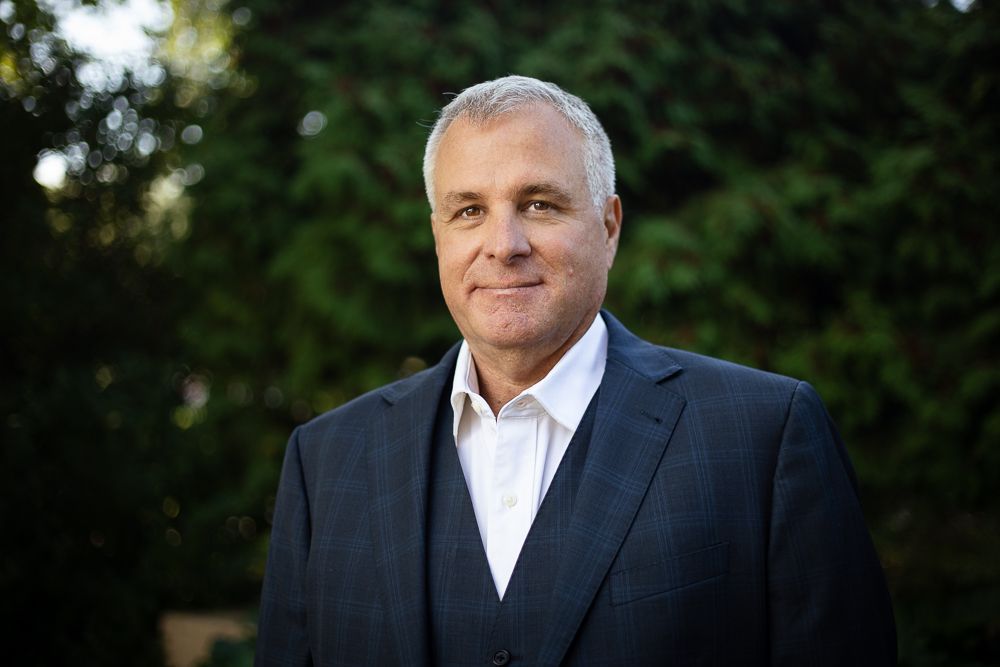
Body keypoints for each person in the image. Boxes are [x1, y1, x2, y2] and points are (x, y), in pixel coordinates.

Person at [255, 75, 896, 666]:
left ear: (609, 227)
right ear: (438, 236)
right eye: (469, 210)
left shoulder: (765, 436)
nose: (503, 245)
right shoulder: (325, 460)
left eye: (538, 204)